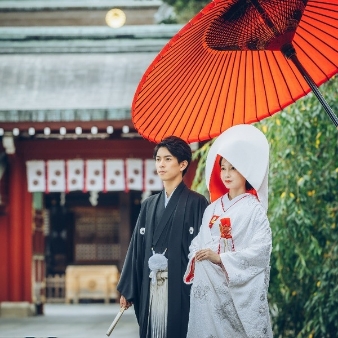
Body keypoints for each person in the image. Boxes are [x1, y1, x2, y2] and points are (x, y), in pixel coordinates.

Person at [184, 124, 273, 338]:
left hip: (237, 286)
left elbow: (261, 251)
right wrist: (200, 256)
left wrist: (221, 259)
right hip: (211, 287)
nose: (226, 174)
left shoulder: (255, 210)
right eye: (223, 168)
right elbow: (198, 242)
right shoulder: (213, 208)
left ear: (246, 170)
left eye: (233, 168)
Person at [117, 136, 208, 338]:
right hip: (151, 285)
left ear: (183, 164)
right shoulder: (149, 205)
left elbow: (204, 248)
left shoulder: (197, 203)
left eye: (167, 159)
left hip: (182, 287)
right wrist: (129, 288)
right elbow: (137, 249)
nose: (161, 165)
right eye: (158, 159)